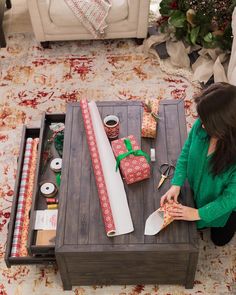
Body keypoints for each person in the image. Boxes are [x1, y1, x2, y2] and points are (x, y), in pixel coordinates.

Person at [160, 82, 236, 246]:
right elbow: (186, 151)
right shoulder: (201, 126)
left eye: (207, 122)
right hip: (198, 191)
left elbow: (229, 199)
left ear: (225, 127)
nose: (200, 125)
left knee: (220, 240)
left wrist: (197, 213)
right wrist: (176, 183)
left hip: (225, 202)